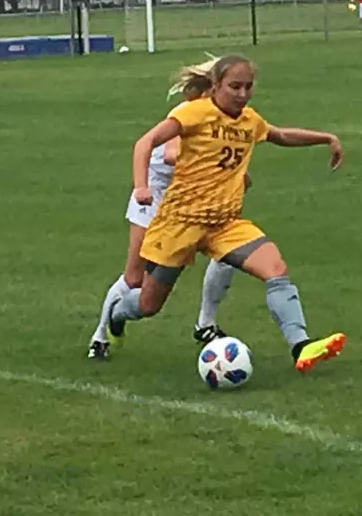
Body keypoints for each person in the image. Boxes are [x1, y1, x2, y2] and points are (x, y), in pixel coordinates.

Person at [106, 54, 347, 373]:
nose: (243, 94)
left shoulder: (249, 120)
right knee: (148, 304)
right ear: (216, 85)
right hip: (179, 223)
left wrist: (325, 138)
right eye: (235, 86)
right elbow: (146, 142)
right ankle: (116, 316)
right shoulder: (194, 113)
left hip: (224, 223)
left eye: (248, 87)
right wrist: (141, 186)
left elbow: (279, 136)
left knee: (276, 268)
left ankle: (301, 346)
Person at [88, 58, 243, 361]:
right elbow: (172, 154)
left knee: (228, 255)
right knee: (135, 279)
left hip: (191, 203)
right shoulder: (187, 115)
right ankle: (101, 333)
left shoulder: (222, 118)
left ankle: (205, 324)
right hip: (154, 200)